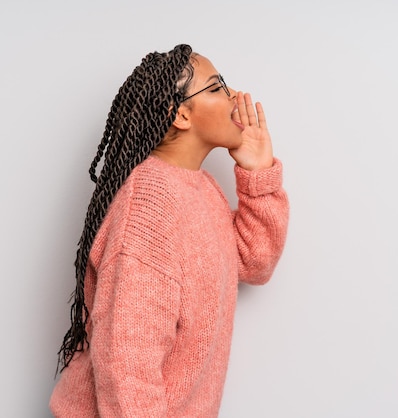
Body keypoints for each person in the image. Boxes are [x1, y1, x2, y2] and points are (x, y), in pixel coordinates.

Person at [50, 44, 289, 417]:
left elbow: (254, 262)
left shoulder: (200, 188)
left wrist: (258, 174)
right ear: (180, 114)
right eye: (216, 88)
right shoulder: (149, 204)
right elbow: (127, 363)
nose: (236, 98)